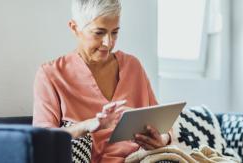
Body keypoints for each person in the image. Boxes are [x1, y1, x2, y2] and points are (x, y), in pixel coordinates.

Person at [32, 0, 171, 162]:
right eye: (99, 33)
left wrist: (163, 139)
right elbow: (41, 138)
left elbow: (162, 124)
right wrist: (89, 125)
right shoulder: (51, 74)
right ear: (74, 28)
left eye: (115, 32)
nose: (108, 43)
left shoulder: (133, 66)